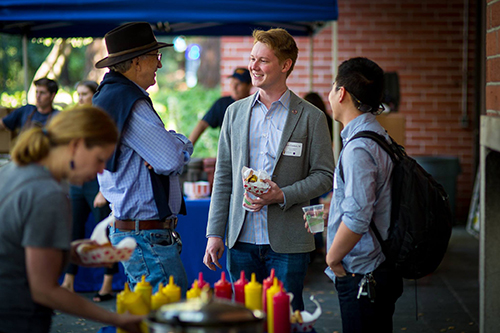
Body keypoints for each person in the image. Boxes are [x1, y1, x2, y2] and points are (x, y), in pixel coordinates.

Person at [203, 28, 334, 311]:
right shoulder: (234, 113)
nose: (253, 66)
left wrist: (282, 195)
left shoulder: (312, 117)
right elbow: (224, 176)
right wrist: (214, 234)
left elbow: (325, 176)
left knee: (286, 318)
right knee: (245, 319)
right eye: (252, 58)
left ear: (285, 65)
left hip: (288, 242)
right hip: (241, 241)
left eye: (263, 60)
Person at [0, 106, 142, 333]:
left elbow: (16, 251)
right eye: (99, 159)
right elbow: (43, 289)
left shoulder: (13, 171)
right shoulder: (47, 193)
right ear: (75, 145)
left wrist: (67, 252)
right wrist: (116, 319)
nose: (101, 170)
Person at [92, 22, 193, 294]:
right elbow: (170, 160)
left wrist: (166, 146)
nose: (159, 65)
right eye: (155, 57)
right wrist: (181, 141)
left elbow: (163, 157)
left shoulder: (107, 97)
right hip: (145, 235)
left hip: (135, 231)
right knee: (167, 312)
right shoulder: (131, 102)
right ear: (137, 62)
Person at [324, 57, 403, 332]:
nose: (330, 94)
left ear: (341, 93)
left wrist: (332, 258)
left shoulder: (359, 148)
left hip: (363, 271)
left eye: (332, 87)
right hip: (379, 265)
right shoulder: (379, 135)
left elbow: (358, 217)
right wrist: (332, 212)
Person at [61, 80, 118, 302]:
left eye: (84, 94)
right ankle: (68, 282)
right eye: (78, 94)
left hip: (98, 184)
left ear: (95, 95)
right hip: (77, 184)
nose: (80, 98)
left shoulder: (103, 120)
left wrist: (104, 191)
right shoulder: (76, 119)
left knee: (103, 235)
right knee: (74, 231)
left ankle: (107, 284)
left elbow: (110, 154)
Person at [188, 68, 252, 146]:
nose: (234, 87)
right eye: (232, 83)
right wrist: (186, 150)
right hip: (227, 154)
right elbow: (202, 124)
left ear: (249, 85)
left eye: (239, 84)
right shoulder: (222, 103)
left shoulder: (254, 105)